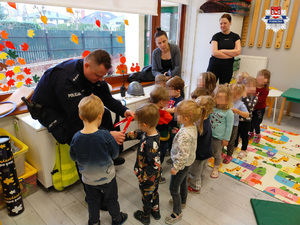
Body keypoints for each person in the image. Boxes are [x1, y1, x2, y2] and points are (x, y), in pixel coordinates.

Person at [31, 49, 134, 165]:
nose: (101, 79)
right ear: (87, 66)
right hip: (49, 109)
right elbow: (78, 116)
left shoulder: (94, 74)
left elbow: (107, 98)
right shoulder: (65, 77)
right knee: (75, 131)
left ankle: (108, 155)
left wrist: (124, 111)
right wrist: (107, 135)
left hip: (70, 104)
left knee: (104, 114)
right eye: (98, 75)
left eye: (103, 76)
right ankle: (88, 169)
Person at [69, 95, 128, 225]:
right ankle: (117, 219)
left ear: (80, 116)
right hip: (107, 177)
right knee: (112, 198)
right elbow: (114, 155)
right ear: (100, 116)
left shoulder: (76, 137)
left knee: (92, 201)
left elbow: (73, 157)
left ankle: (94, 222)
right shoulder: (106, 136)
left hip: (88, 179)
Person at [166, 100, 205, 224]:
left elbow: (183, 154)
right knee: (182, 183)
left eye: (178, 115)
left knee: (173, 188)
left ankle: (177, 212)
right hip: (187, 163)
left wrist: (176, 167)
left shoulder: (185, 135)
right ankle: (182, 202)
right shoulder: (191, 126)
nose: (176, 116)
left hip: (181, 164)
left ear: (187, 118)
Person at [124, 103, 161, 225]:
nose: (138, 126)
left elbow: (154, 165)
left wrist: (143, 177)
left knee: (146, 196)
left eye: (139, 123)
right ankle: (156, 211)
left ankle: (145, 216)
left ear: (145, 125)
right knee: (154, 193)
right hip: (155, 177)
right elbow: (138, 133)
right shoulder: (151, 132)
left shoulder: (151, 143)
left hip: (148, 177)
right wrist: (123, 136)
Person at [188, 96, 215, 193]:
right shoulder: (206, 120)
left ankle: (195, 186)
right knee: (202, 169)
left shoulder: (198, 123)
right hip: (207, 151)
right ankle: (199, 181)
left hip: (199, 154)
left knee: (195, 171)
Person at [207, 14, 241, 85]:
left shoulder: (235, 37)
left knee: (224, 89)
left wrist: (222, 51)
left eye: (225, 23)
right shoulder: (216, 36)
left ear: (230, 23)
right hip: (214, 66)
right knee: (209, 87)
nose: (223, 25)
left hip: (227, 67)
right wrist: (230, 55)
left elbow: (238, 51)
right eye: (221, 23)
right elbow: (214, 53)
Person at [209, 85, 234, 178]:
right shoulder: (213, 108)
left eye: (223, 98)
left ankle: (216, 168)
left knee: (217, 153)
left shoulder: (228, 112)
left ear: (228, 99)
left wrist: (226, 139)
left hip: (219, 137)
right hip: (209, 134)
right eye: (218, 97)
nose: (220, 100)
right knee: (210, 149)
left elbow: (229, 127)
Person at [150, 87, 172, 184]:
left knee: (152, 156)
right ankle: (157, 176)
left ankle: (153, 171)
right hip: (162, 139)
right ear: (161, 102)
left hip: (151, 138)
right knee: (159, 157)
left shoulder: (149, 109)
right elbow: (170, 121)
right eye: (167, 102)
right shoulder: (163, 114)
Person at [222, 83, 249, 164]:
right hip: (223, 124)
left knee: (231, 141)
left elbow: (247, 114)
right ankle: (220, 151)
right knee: (221, 139)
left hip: (233, 125)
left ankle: (229, 155)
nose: (232, 98)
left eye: (234, 96)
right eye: (231, 95)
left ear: (239, 96)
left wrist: (238, 111)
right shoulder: (226, 100)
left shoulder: (240, 104)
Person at [235, 77, 258, 158]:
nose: (251, 89)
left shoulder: (254, 98)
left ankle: (243, 149)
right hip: (237, 120)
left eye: (253, 87)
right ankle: (235, 145)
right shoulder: (240, 96)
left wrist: (244, 97)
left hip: (246, 121)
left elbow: (249, 106)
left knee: (244, 135)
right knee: (236, 134)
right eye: (249, 87)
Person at [249, 69, 271, 143]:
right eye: (260, 76)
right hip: (251, 107)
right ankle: (251, 133)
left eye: (264, 77)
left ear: (267, 80)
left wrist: (253, 95)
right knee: (250, 121)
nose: (261, 78)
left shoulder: (265, 90)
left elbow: (261, 100)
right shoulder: (253, 85)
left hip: (260, 109)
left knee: (256, 123)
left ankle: (258, 134)